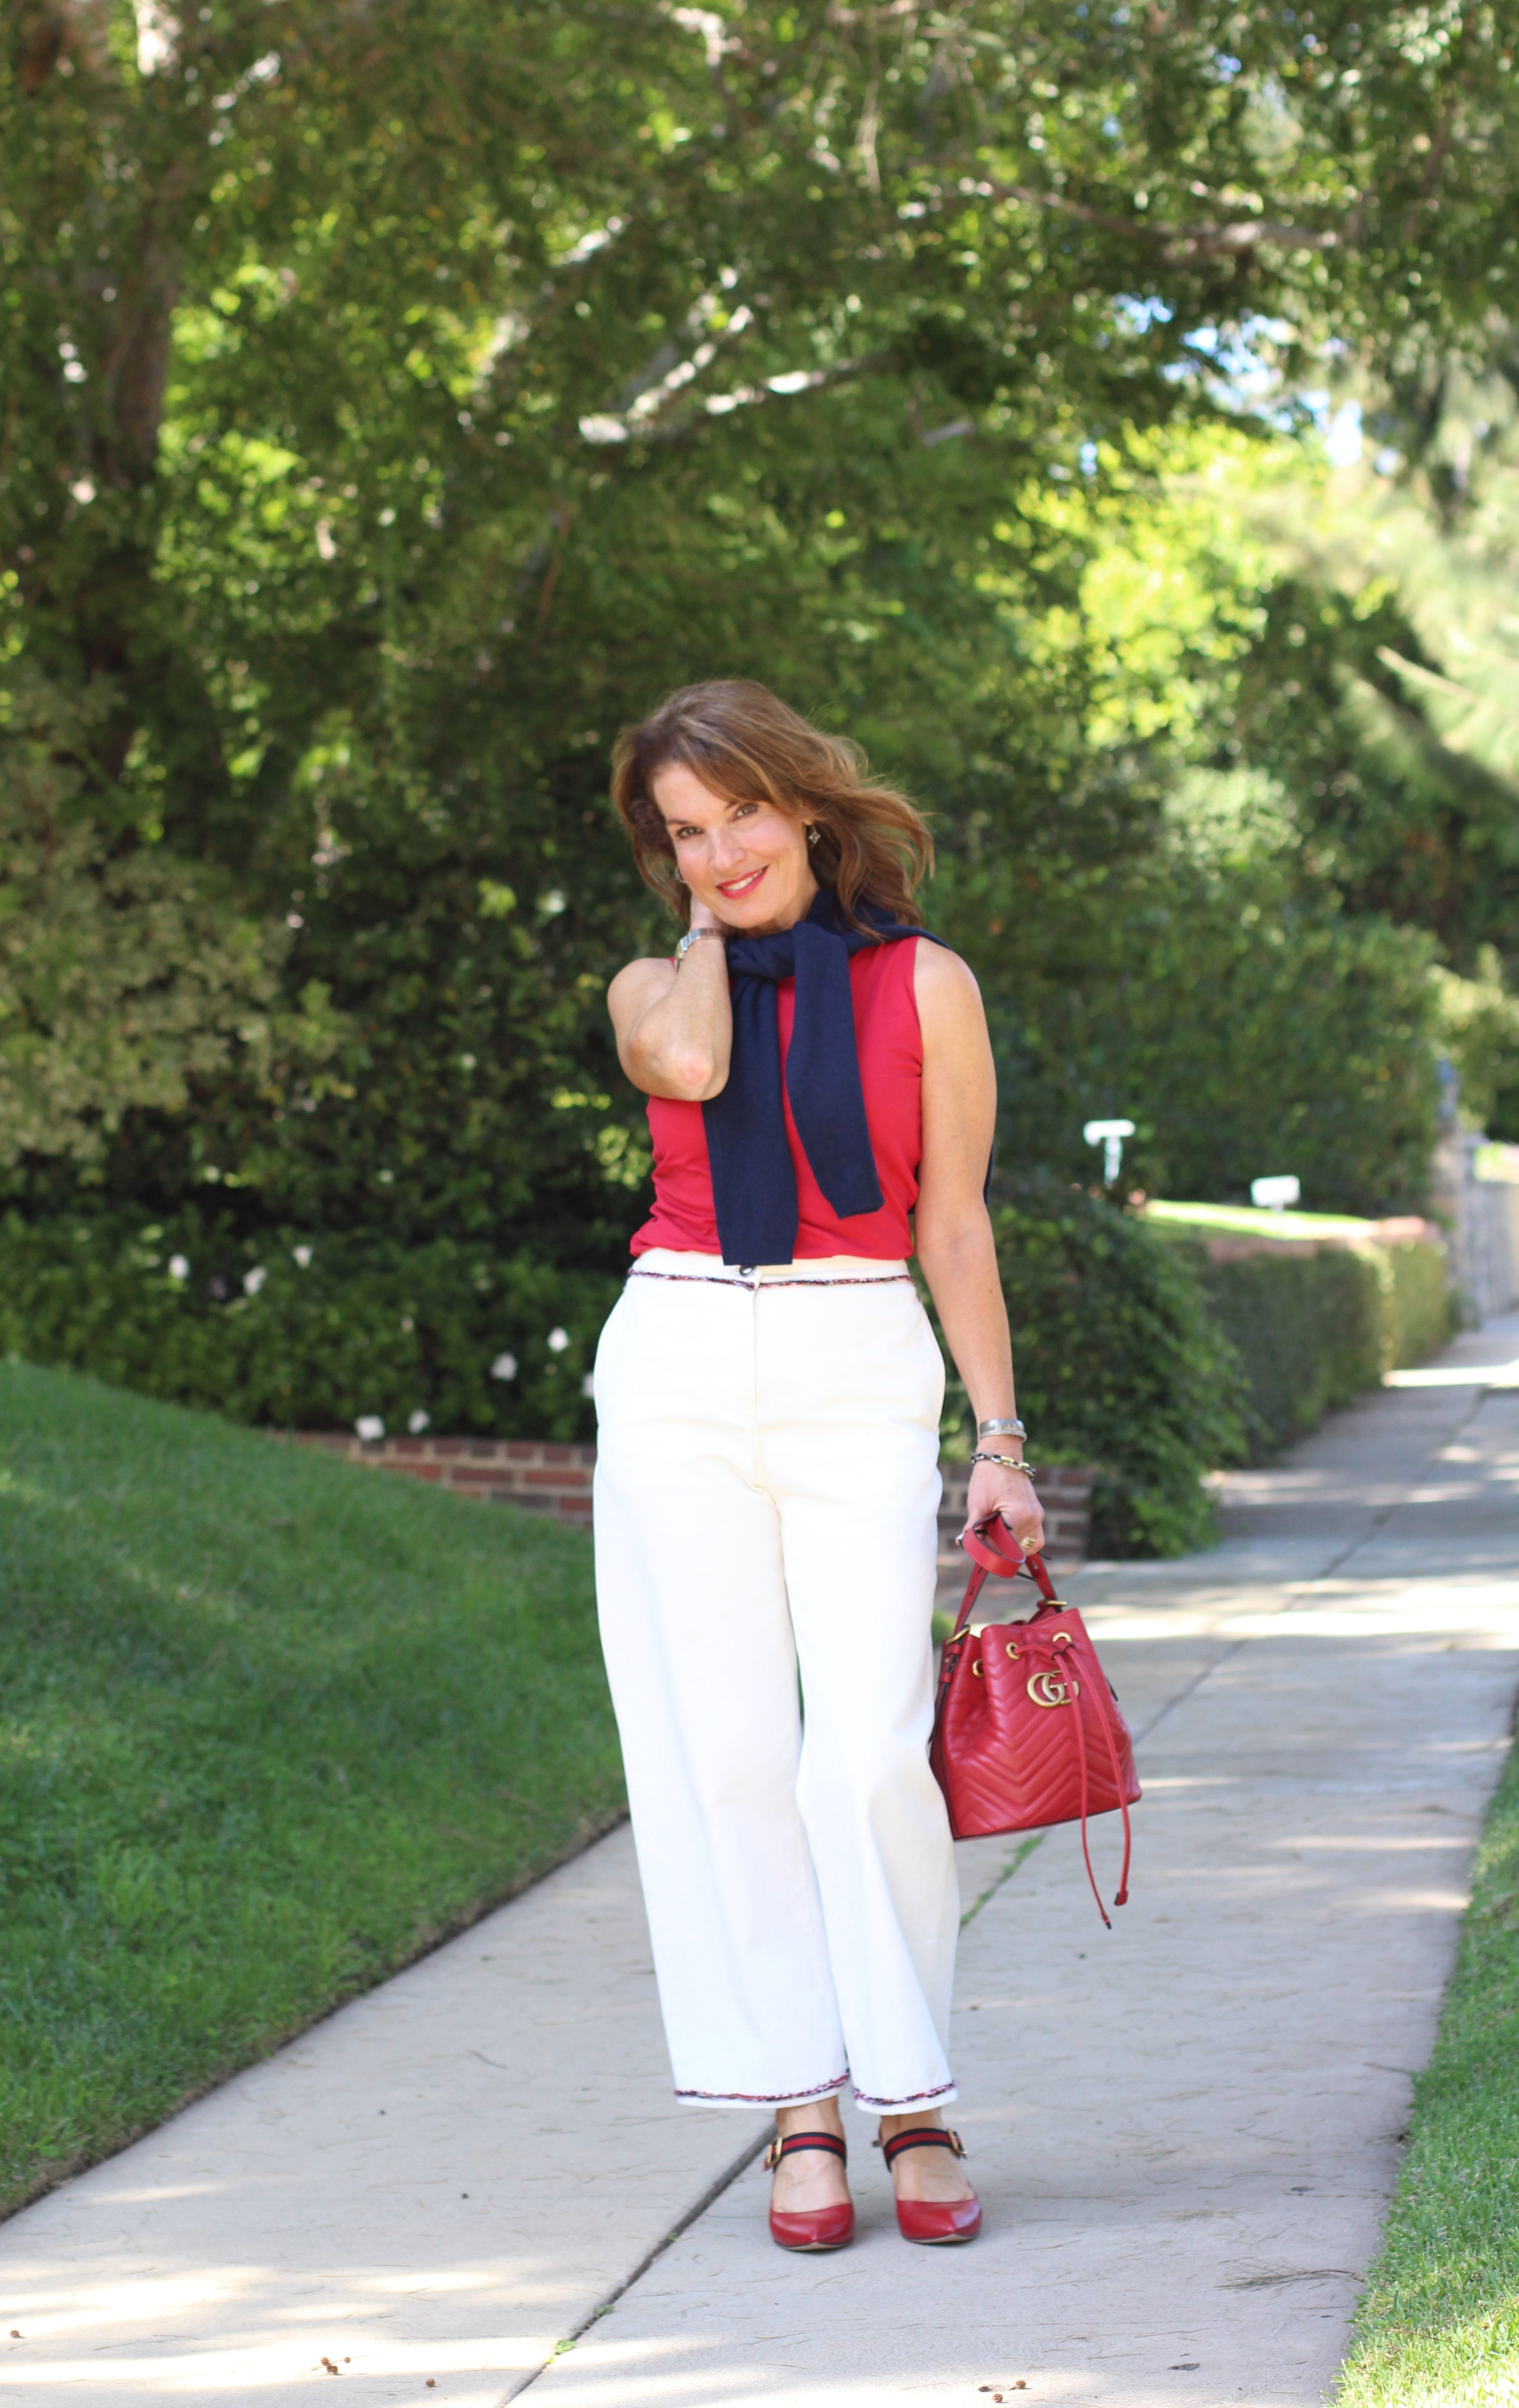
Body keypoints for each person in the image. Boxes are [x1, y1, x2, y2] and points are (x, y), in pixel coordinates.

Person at [593, 679, 1042, 2253]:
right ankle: (797, 2106)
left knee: (863, 1749)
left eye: (741, 816)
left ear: (805, 800)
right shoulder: (653, 984)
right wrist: (717, 931)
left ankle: (909, 2096)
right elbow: (697, 1072)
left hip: (859, 1354)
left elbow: (953, 1226)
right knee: (724, 1754)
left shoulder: (927, 985)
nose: (718, 852)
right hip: (680, 1358)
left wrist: (997, 1440)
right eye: (685, 833)